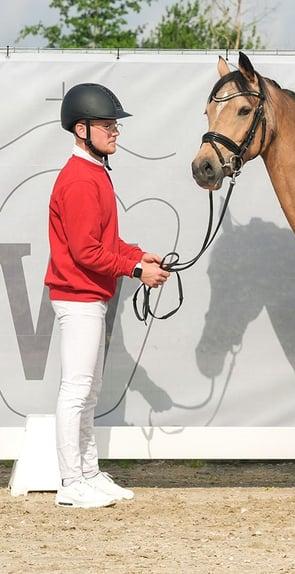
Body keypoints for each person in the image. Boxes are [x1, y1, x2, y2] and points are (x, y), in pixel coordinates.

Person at [45, 83, 170, 508]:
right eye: (107, 125)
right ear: (81, 129)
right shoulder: (80, 180)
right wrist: (136, 270)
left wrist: (138, 254)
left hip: (90, 297)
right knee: (77, 390)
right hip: (78, 297)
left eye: (115, 124)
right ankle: (69, 483)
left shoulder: (95, 172)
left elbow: (106, 241)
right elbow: (85, 251)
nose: (116, 131)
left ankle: (88, 473)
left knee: (89, 391)